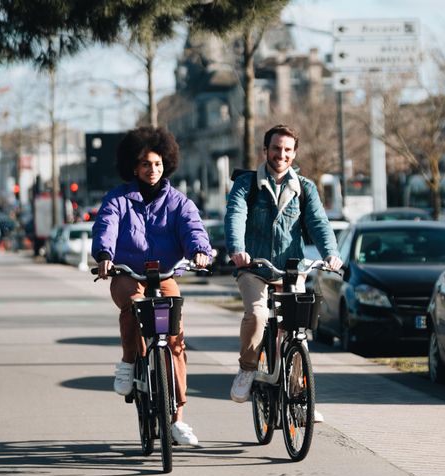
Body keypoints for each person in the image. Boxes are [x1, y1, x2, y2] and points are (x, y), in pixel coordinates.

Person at [92, 126, 211, 446]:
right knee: (133, 304)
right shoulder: (118, 198)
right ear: (134, 166)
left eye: (158, 164)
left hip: (166, 274)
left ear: (166, 164)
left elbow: (193, 228)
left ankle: (178, 420)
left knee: (175, 339)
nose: (152, 169)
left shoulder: (178, 201)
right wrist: (104, 254)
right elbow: (106, 225)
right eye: (146, 164)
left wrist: (200, 250)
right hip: (127, 272)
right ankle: (129, 363)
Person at [224, 124, 344, 414]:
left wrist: (331, 254)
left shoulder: (305, 188)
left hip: (291, 270)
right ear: (265, 151)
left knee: (296, 330)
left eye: (287, 149)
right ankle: (247, 368)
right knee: (257, 314)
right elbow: (236, 215)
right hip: (255, 268)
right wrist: (237, 250)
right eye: (276, 148)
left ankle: (301, 395)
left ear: (294, 153)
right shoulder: (247, 184)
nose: (281, 154)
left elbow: (319, 224)